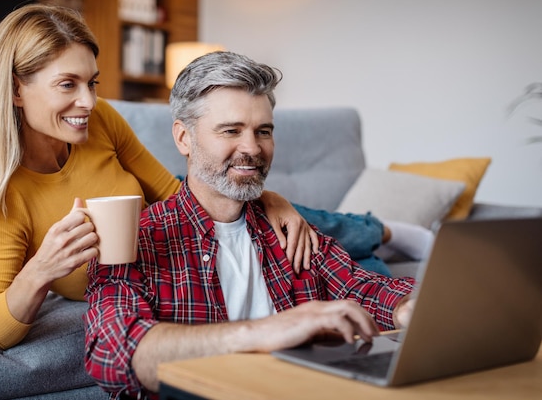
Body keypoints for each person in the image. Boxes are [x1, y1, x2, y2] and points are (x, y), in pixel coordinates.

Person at [0, 3, 320, 350]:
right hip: (165, 257)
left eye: (92, 83)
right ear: (15, 90)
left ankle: (381, 230)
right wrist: (42, 269)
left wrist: (268, 198)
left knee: (319, 232)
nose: (88, 102)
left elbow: (175, 192)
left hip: (190, 225)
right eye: (67, 84)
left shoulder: (100, 119)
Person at [83, 51, 416, 400]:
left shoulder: (288, 229)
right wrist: (265, 331)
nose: (252, 148)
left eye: (264, 131)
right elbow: (114, 353)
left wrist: (407, 306)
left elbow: (361, 288)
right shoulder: (136, 239)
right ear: (184, 138)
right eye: (231, 130)